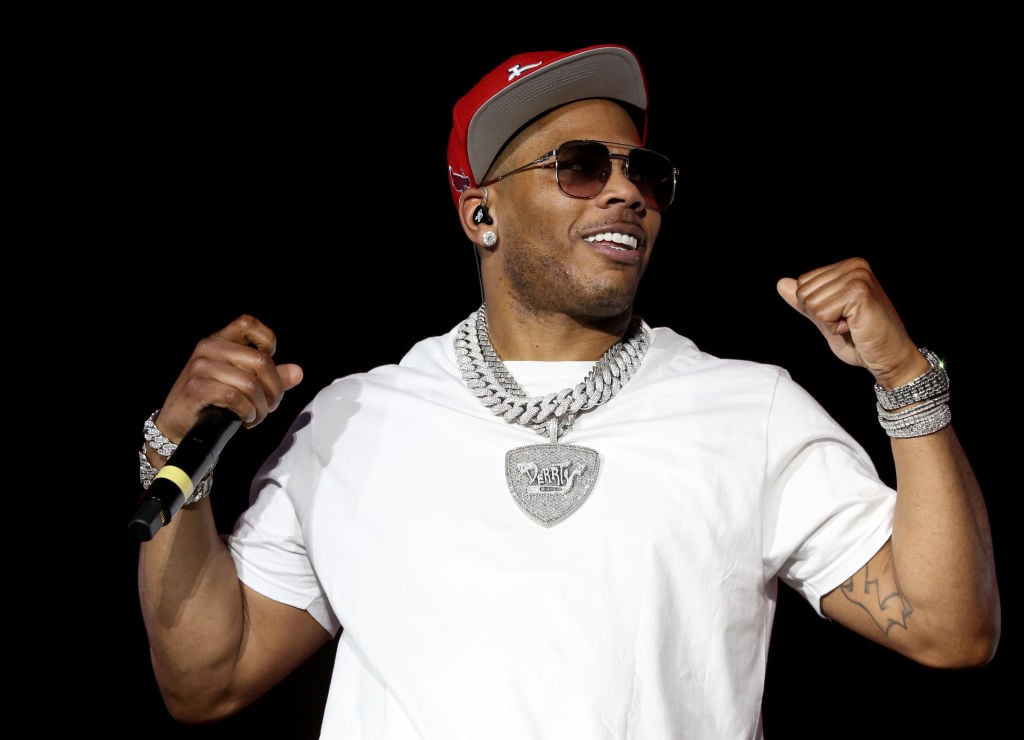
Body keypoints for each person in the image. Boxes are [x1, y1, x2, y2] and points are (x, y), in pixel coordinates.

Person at [134, 44, 1000, 738]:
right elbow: (209, 680)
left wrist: (904, 379)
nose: (627, 191)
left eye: (646, 173)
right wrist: (176, 448)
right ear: (482, 215)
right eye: (580, 166)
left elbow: (948, 630)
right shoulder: (356, 423)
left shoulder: (750, 411)